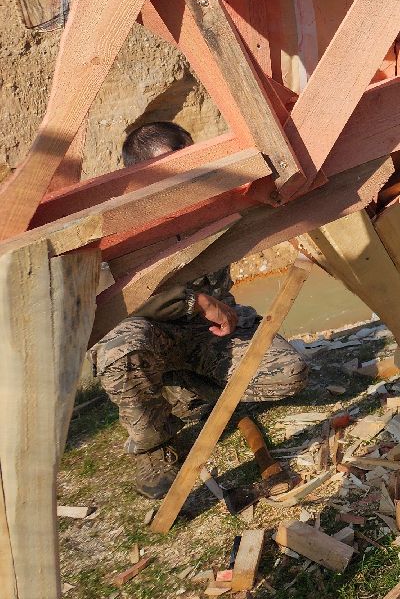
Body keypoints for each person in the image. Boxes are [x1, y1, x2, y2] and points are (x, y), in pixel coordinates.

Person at [95, 121, 309, 499]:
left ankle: (188, 388)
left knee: (288, 374)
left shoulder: (210, 200)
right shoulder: (114, 226)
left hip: (209, 336)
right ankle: (154, 449)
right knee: (119, 350)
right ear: (142, 178)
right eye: (182, 163)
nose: (194, 171)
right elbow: (108, 301)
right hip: (150, 337)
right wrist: (196, 302)